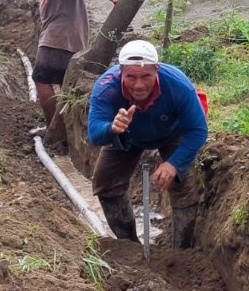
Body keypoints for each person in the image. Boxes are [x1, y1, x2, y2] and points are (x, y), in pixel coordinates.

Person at [86, 40, 209, 246]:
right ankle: (129, 245)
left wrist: (174, 164)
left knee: (184, 186)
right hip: (126, 133)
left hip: (172, 132)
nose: (139, 85)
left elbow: (198, 130)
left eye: (146, 76)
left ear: (157, 70)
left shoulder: (178, 85)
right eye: (131, 77)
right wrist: (111, 128)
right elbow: (94, 133)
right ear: (120, 72)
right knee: (106, 183)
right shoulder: (106, 87)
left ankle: (180, 252)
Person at [24, 0, 119, 125]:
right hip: (56, 33)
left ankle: (54, 129)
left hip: (61, 34)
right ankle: (66, 127)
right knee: (63, 83)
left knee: (41, 78)